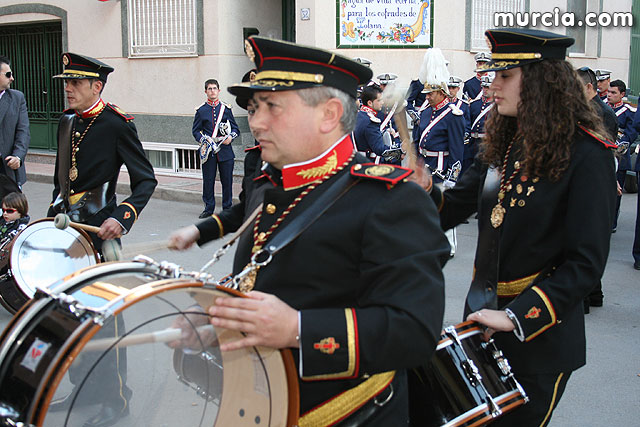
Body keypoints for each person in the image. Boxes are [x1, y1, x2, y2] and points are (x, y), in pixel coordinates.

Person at [170, 36, 449, 425]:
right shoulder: (270, 181)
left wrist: (298, 329)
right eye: (253, 108)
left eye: (272, 107)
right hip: (263, 404)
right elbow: (265, 280)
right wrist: (217, 318)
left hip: (348, 413)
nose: (256, 122)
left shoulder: (390, 199)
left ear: (329, 115)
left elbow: (414, 331)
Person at [426, 28, 616, 426]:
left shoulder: (587, 154)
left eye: (504, 76)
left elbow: (584, 265)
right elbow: (451, 207)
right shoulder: (503, 141)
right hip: (480, 322)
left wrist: (514, 317)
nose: (491, 84)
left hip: (538, 338)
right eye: (492, 74)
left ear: (542, 81)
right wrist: (413, 194)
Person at [47, 52, 157, 427]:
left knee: (106, 318)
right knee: (68, 316)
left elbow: (146, 180)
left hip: (98, 232)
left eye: (75, 82)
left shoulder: (116, 124)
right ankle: (82, 388)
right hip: (64, 233)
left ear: (97, 86)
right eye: (66, 81)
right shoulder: (65, 122)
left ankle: (117, 397)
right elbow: (61, 181)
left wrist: (120, 217)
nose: (68, 88)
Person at [192, 79, 240, 218]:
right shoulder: (201, 110)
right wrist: (204, 140)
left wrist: (230, 137)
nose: (212, 91)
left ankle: (227, 208)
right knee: (208, 180)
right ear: (205, 91)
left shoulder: (226, 109)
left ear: (219, 90)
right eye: (209, 89)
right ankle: (208, 208)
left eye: (214, 88)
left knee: (227, 180)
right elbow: (195, 131)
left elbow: (235, 128)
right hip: (209, 151)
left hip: (225, 150)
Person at [607, 79, 637, 233]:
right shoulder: (602, 106)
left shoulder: (629, 111)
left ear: (622, 94)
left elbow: (631, 132)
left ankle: (612, 222)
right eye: (609, 91)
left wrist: (622, 144)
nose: (609, 95)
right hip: (604, 153)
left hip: (620, 155)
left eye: (613, 92)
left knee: (616, 191)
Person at [0, 56, 30, 187]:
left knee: (11, 207)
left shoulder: (17, 98)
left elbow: (23, 131)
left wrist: (18, 156)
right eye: (8, 74)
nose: (12, 78)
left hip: (8, 168)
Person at [465, 74, 494, 175]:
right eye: (484, 87)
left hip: (486, 142)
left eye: (488, 87)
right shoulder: (474, 104)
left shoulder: (496, 107)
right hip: (472, 143)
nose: (485, 90)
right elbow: (468, 123)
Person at [354, 84, 389, 163]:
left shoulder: (358, 115)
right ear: (370, 103)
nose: (382, 102)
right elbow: (379, 149)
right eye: (379, 100)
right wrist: (399, 150)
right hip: (368, 164)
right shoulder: (371, 122)